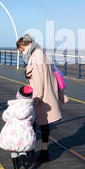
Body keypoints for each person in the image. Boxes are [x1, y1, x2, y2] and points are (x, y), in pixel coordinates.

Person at [16, 34, 67, 162]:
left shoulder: (36, 56)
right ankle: (42, 151)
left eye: (22, 50)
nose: (22, 53)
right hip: (47, 93)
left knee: (33, 123)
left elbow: (38, 79)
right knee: (44, 124)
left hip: (40, 96)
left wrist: (36, 97)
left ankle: (33, 150)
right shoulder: (41, 53)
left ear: (24, 45)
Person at [0, 85, 36, 169]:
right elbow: (33, 119)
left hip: (12, 130)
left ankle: (16, 167)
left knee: (13, 148)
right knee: (23, 148)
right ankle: (23, 162)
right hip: (25, 130)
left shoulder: (12, 106)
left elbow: (5, 117)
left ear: (18, 95)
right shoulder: (30, 108)